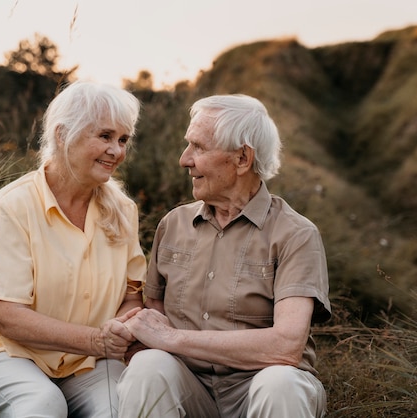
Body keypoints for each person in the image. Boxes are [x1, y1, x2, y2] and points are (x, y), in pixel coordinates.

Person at [118, 94, 332, 418]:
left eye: (198, 147)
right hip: (190, 387)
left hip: (261, 388)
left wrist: (172, 338)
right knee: (148, 366)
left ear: (242, 159)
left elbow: (286, 347)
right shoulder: (172, 225)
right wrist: (126, 332)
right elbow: (153, 322)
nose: (184, 159)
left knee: (281, 384)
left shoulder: (296, 235)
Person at [0, 81, 146, 417]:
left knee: (122, 409)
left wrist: (117, 329)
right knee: (43, 403)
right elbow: (10, 319)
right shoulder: (15, 204)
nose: (116, 151)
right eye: (105, 136)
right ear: (62, 135)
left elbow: (132, 295)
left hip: (86, 362)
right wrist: (97, 341)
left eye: (123, 139)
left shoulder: (123, 211)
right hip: (6, 350)